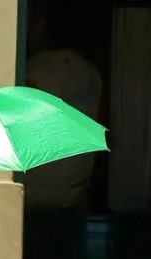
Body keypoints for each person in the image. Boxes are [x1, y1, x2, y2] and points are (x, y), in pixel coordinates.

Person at [23, 2, 103, 211]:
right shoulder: (91, 73)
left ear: (39, 26)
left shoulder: (34, 72)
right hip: (74, 203)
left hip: (34, 203)